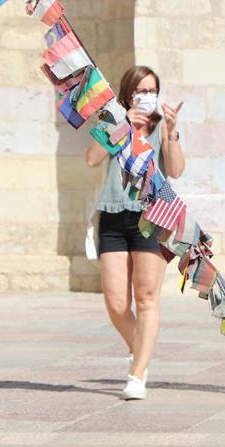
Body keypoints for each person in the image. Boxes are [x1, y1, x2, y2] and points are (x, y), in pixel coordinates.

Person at [84, 65, 185, 400]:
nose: (147, 96)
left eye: (152, 90)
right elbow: (92, 159)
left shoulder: (160, 127)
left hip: (151, 216)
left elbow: (176, 170)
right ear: (127, 93)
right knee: (115, 302)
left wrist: (171, 131)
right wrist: (124, 124)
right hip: (113, 215)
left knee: (146, 297)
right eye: (140, 90)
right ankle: (140, 348)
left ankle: (138, 373)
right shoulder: (111, 120)